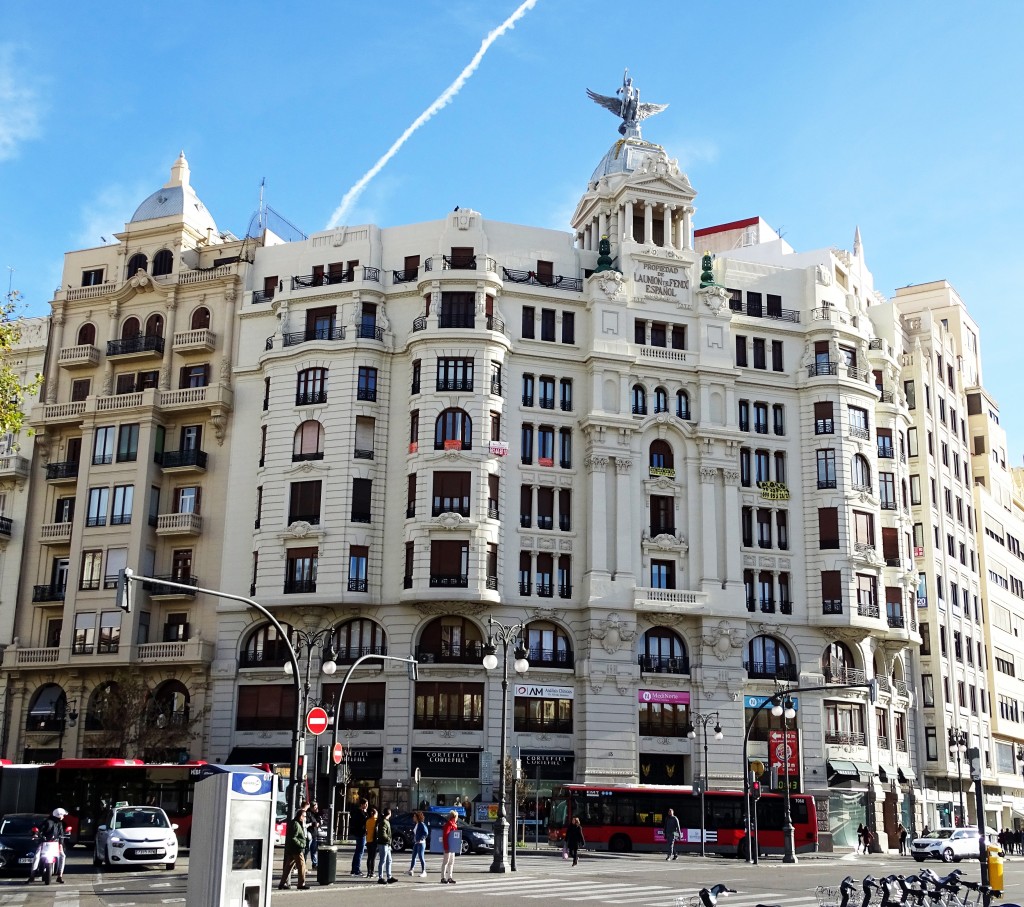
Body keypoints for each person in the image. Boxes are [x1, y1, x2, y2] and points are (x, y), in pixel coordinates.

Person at [28, 808, 68, 884]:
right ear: (58, 815)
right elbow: (39, 830)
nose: (63, 816)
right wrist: (37, 834)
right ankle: (32, 876)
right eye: (62, 815)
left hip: (55, 843)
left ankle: (60, 876)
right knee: (36, 856)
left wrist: (61, 845)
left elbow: (61, 834)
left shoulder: (59, 824)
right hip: (44, 843)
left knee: (63, 855)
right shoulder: (47, 822)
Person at [278, 805, 309, 890]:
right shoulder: (296, 824)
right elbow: (293, 837)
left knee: (288, 867)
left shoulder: (296, 823)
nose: (305, 818)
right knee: (302, 866)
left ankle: (282, 883)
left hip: (292, 849)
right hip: (296, 849)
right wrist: (301, 844)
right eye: (304, 816)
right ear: (300, 816)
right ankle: (301, 884)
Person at [375, 807, 396, 884]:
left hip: (386, 844)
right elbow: (383, 834)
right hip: (383, 844)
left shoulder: (384, 821)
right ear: (389, 814)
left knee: (389, 860)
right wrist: (389, 839)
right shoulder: (384, 822)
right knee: (383, 861)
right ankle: (380, 877)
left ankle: (389, 876)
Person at [406, 810, 428, 877]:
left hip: (421, 843)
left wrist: (421, 838)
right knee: (413, 856)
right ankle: (411, 869)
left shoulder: (421, 824)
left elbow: (426, 832)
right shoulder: (417, 824)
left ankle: (424, 871)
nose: (413, 818)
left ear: (418, 817)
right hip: (416, 843)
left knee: (421, 857)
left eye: (414, 816)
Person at [350, 798, 368, 877]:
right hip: (361, 833)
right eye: (366, 804)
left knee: (357, 851)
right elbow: (364, 822)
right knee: (360, 852)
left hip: (358, 833)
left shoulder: (356, 812)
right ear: (362, 804)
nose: (367, 806)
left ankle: (354, 869)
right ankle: (356, 869)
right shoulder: (360, 813)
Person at [440, 809, 459, 884]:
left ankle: (449, 877)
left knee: (451, 862)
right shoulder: (449, 824)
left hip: (452, 846)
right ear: (454, 817)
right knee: (446, 862)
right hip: (448, 846)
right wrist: (446, 847)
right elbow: (445, 836)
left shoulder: (453, 824)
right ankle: (443, 877)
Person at [305, 801, 322, 870]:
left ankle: (315, 864)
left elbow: (318, 821)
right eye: (315, 807)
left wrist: (319, 822)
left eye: (316, 807)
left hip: (314, 834)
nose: (316, 808)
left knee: (314, 850)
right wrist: (314, 824)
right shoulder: (308, 813)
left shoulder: (316, 814)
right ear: (311, 807)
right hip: (309, 834)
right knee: (306, 850)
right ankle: (303, 864)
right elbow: (308, 823)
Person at [365, 807, 378, 878]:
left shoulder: (368, 821)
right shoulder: (376, 821)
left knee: (369, 857)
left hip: (368, 840)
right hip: (374, 841)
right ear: (375, 814)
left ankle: (368, 872)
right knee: (373, 858)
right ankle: (372, 872)